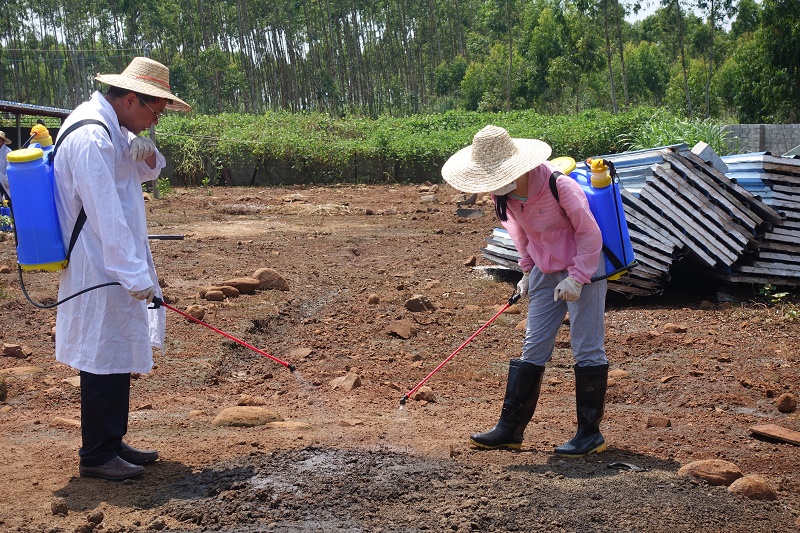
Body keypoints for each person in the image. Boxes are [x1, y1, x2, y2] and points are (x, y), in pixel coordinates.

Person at [53, 57, 191, 480]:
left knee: (115, 350)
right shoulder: (93, 137)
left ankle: (112, 440)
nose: (153, 123)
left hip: (110, 261)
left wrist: (146, 156)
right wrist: (134, 276)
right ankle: (96, 454)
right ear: (131, 99)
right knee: (101, 353)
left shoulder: (111, 129)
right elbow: (106, 214)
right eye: (154, 114)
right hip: (99, 264)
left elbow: (135, 178)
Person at [440, 125, 609, 457]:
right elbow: (521, 234)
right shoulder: (501, 195)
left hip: (584, 266)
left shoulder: (558, 186)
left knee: (586, 345)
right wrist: (527, 272)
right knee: (534, 344)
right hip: (545, 269)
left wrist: (576, 278)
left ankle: (590, 434)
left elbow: (590, 234)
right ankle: (510, 429)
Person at [0, 130, 12, 200]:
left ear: (3, 140)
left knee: (7, 202)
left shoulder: (8, 151)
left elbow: (9, 167)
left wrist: (6, 181)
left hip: (5, 182)